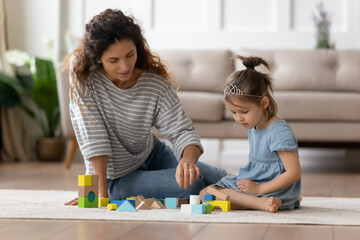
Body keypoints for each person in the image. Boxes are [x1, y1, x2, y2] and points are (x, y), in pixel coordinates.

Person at [65, 9, 227, 205]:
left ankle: (267, 189)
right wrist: (100, 193)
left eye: (129, 55)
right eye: (113, 60)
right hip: (115, 177)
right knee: (193, 186)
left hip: (152, 154)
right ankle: (121, 189)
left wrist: (187, 161)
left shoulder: (154, 83)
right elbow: (93, 138)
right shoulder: (85, 80)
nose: (125, 67)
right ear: (98, 58)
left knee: (222, 178)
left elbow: (182, 130)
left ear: (137, 47)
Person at [200, 55, 301, 213]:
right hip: (257, 182)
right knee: (205, 194)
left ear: (264, 103)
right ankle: (274, 202)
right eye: (233, 112)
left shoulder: (279, 131)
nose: (238, 118)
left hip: (271, 187)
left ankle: (264, 203)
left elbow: (293, 173)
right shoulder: (255, 125)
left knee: (213, 194)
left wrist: (260, 188)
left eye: (244, 111)